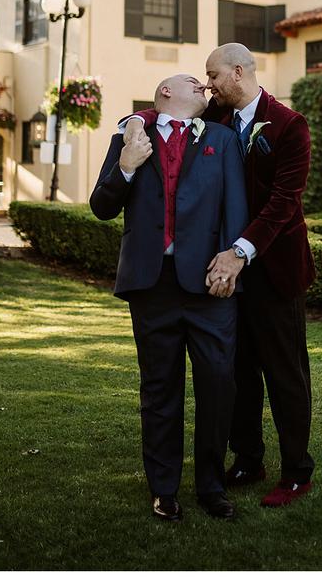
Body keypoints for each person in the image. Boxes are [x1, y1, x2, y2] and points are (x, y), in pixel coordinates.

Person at [125, 43, 316, 507]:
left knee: (284, 372)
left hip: (270, 268)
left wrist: (239, 252)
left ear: (237, 72)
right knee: (235, 373)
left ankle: (296, 470)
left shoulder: (290, 126)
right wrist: (129, 124)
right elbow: (163, 112)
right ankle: (248, 456)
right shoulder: (219, 117)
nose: (206, 84)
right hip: (220, 275)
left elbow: (281, 206)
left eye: (212, 75)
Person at [90, 73, 247, 521]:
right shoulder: (130, 136)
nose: (204, 89)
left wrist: (233, 262)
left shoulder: (222, 137)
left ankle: (212, 487)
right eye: (194, 83)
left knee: (218, 385)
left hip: (210, 284)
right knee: (160, 390)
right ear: (164, 93)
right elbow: (101, 206)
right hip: (152, 285)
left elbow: (236, 205)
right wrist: (127, 165)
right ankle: (164, 489)